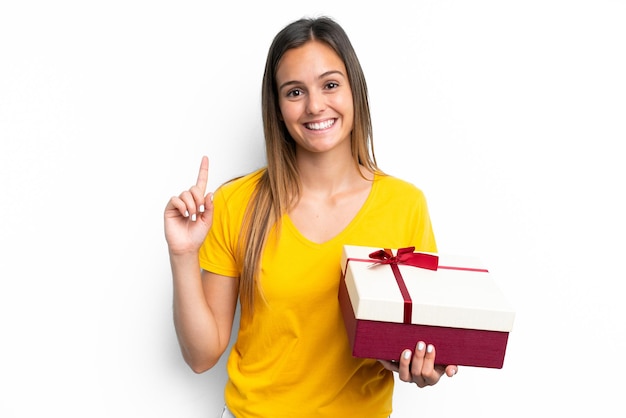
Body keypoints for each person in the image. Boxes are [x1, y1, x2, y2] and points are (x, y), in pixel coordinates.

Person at [164, 16, 457, 418]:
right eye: (295, 91)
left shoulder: (405, 204)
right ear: (278, 107)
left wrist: (422, 366)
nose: (315, 105)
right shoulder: (235, 202)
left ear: (355, 90)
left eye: (330, 84)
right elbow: (201, 356)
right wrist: (182, 255)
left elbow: (421, 340)